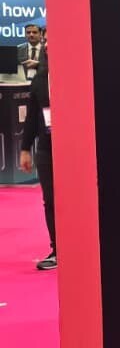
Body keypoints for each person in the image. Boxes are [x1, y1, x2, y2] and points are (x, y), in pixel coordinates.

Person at [19, 53, 56, 270]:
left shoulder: (81, 75)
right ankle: (58, 248)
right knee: (50, 200)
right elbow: (32, 116)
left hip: (77, 149)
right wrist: (25, 148)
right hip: (46, 147)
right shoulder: (41, 79)